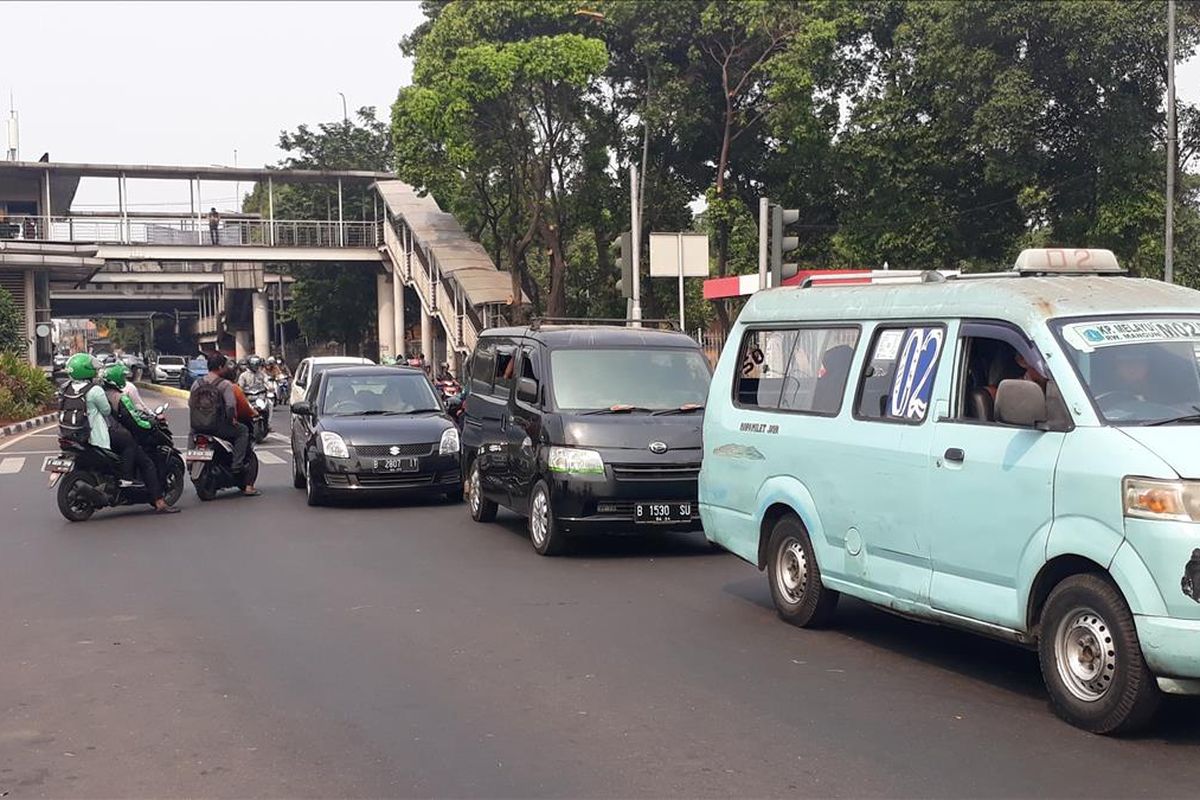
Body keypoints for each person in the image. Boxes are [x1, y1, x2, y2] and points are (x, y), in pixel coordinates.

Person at [103, 365, 179, 514]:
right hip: (120, 435)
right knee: (147, 464)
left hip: (103, 436)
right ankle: (159, 502)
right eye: (122, 377)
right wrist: (150, 423)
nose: (124, 380)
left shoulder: (101, 394)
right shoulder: (120, 397)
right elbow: (134, 419)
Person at [190, 353, 259, 496]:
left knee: (192, 433)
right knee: (243, 431)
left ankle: (189, 461)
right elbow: (230, 406)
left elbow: (190, 404)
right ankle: (237, 464)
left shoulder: (197, 383)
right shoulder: (225, 384)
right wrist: (231, 420)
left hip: (198, 426)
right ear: (221, 367)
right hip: (218, 428)